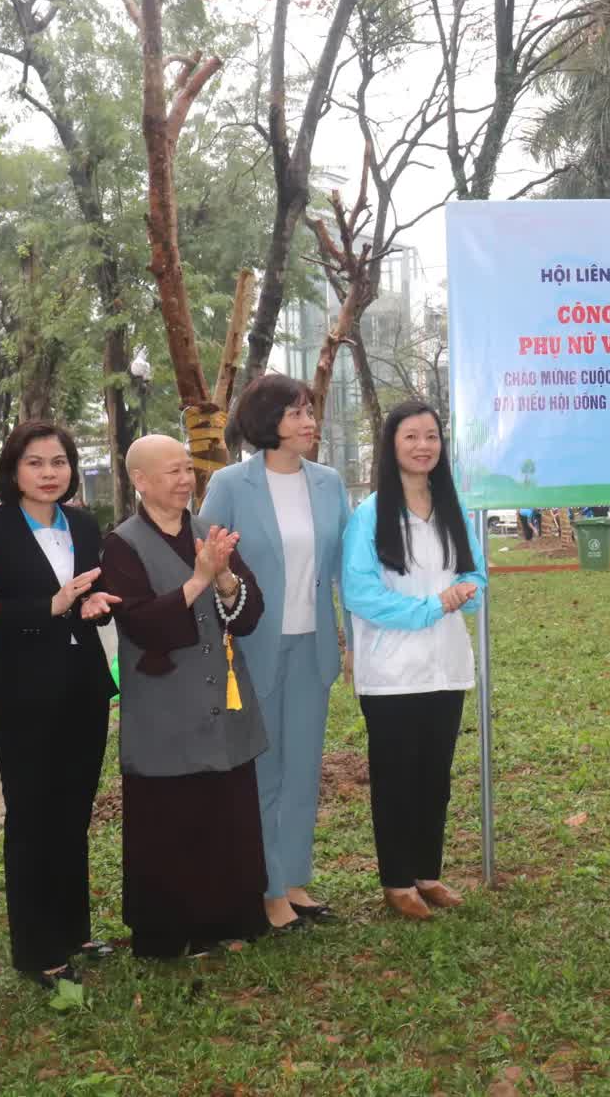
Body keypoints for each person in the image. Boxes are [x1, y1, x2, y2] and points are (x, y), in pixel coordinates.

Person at [100, 435, 271, 957]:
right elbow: (142, 624)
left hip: (221, 698)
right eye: (170, 471)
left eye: (186, 470)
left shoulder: (208, 534)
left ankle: (229, 920)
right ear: (141, 482)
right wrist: (197, 582)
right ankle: (172, 933)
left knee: (227, 811)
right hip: (164, 707)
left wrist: (223, 581)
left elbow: (250, 613)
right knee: (172, 818)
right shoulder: (122, 543)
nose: (183, 480)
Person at [199, 375, 350, 932]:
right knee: (264, 768)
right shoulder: (231, 485)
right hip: (253, 646)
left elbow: (342, 571)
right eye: (294, 413)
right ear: (266, 422)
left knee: (304, 767)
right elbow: (208, 559)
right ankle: (266, 889)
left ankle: (294, 878)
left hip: (313, 645)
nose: (308, 422)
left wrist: (350, 644)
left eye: (309, 411)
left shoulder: (330, 483)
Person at [0, 423, 120, 990]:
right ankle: (37, 947)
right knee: (32, 816)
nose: (48, 473)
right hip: (23, 691)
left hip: (83, 686)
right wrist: (53, 604)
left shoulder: (83, 524)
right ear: (13, 470)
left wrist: (95, 607)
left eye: (58, 462)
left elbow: (92, 601)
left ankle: (73, 928)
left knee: (73, 810)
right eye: (35, 463)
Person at [341, 400, 487, 920]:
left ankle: (428, 873)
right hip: (392, 673)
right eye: (411, 437)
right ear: (391, 445)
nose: (424, 446)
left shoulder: (453, 509)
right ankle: (396, 881)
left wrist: (467, 592)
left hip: (446, 666)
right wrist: (430, 607)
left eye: (431, 436)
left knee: (435, 776)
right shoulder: (369, 515)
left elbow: (478, 579)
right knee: (396, 777)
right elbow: (359, 593)